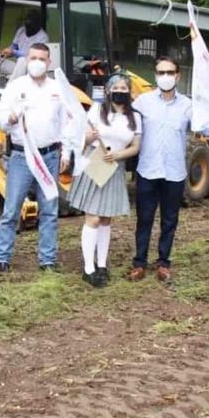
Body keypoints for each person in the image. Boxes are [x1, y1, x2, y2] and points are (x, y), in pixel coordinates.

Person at [128, 56, 209, 282]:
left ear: (178, 76)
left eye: (169, 73)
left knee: (169, 220)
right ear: (155, 76)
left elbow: (205, 127)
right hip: (147, 170)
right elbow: (123, 122)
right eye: (161, 72)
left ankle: (163, 262)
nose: (165, 77)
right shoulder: (142, 102)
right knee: (144, 219)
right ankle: (139, 263)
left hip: (174, 173)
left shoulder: (188, 105)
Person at [0, 43, 73, 273]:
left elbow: (66, 123)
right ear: (27, 60)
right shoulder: (15, 86)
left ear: (49, 63)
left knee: (49, 210)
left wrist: (66, 153)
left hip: (49, 156)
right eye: (33, 57)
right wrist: (10, 119)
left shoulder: (57, 89)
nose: (37, 62)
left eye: (42, 58)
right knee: (11, 209)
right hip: (21, 156)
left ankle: (47, 260)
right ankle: (3, 257)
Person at [68, 73, 142, 287]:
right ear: (108, 91)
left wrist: (118, 156)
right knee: (92, 218)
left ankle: (102, 264)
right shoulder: (96, 110)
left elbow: (135, 146)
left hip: (115, 167)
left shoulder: (134, 117)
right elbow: (82, 137)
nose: (120, 91)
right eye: (115, 87)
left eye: (124, 88)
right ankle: (88, 267)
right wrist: (88, 138)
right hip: (96, 163)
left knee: (107, 218)